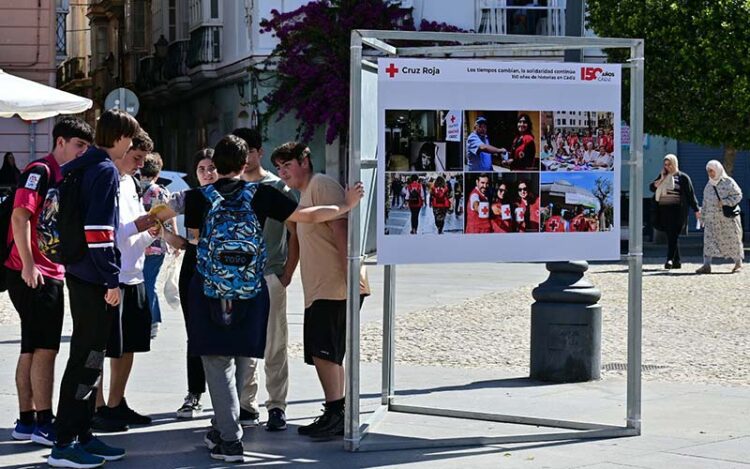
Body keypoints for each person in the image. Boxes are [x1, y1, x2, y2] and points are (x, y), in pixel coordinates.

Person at [171, 136, 363, 460]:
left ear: (215, 165)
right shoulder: (262, 194)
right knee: (247, 355)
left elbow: (194, 241)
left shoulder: (196, 198)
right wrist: (346, 204)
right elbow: (309, 216)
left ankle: (229, 435)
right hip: (251, 288)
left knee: (218, 363)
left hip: (209, 290)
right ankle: (235, 424)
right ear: (245, 163)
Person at [50, 109, 146, 468]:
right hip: (94, 279)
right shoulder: (103, 169)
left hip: (78, 272)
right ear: (120, 138)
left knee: (88, 358)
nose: (132, 145)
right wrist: (111, 280)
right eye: (131, 138)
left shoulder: (82, 164)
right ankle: (65, 442)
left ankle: (82, 433)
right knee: (86, 359)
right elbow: (99, 233)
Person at [270, 141, 369, 440]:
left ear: (304, 161)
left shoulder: (322, 185)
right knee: (325, 353)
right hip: (320, 288)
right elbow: (297, 238)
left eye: (287, 165)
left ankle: (337, 412)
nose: (282, 172)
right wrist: (287, 274)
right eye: (278, 168)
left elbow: (341, 231)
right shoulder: (300, 195)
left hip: (335, 286)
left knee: (324, 353)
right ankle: (336, 411)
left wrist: (352, 278)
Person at [5, 117, 93, 447]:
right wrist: (29, 265)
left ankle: (27, 421)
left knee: (31, 347)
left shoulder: (61, 174)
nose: (82, 152)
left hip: (41, 271)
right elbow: (19, 215)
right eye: (78, 146)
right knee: (45, 350)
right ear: (60, 142)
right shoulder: (39, 171)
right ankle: (44, 421)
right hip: (35, 273)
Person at [90, 130, 158, 434]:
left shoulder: (131, 182)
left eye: (143, 160)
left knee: (129, 344)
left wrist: (149, 233)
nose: (139, 165)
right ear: (123, 149)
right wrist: (137, 226)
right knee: (104, 345)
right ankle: (97, 406)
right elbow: (105, 232)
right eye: (136, 157)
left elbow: (131, 235)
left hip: (135, 273)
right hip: (111, 275)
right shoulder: (106, 179)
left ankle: (116, 403)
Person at [232, 128, 298, 432]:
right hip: (237, 278)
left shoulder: (276, 188)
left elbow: (295, 230)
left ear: (258, 152)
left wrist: (287, 272)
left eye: (249, 152)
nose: (244, 159)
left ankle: (277, 405)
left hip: (270, 273)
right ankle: (246, 404)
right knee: (243, 346)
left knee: (274, 343)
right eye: (239, 153)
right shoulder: (230, 188)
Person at [165, 149, 217, 419]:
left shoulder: (233, 195)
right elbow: (155, 212)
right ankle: (194, 393)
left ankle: (233, 400)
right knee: (195, 333)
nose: (207, 173)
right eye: (201, 169)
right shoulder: (189, 197)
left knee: (225, 333)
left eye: (212, 167)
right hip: (194, 267)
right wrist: (169, 236)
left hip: (226, 270)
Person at [140, 152, 177, 339]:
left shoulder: (132, 186)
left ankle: (150, 321)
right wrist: (175, 241)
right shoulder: (161, 191)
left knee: (143, 283)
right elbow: (169, 217)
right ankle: (153, 321)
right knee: (150, 283)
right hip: (156, 245)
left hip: (137, 244)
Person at [649, 153, 700, 269]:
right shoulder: (662, 176)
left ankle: (669, 259)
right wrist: (661, 179)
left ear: (675, 164)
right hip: (663, 211)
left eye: (670, 164)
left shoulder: (683, 177)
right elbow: (651, 188)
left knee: (673, 235)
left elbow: (690, 195)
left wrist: (696, 210)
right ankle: (677, 261)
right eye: (666, 165)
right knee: (671, 236)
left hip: (677, 211)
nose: (668, 167)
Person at [696, 160, 743, 274]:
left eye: (711, 170)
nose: (710, 173)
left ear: (717, 170)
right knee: (709, 242)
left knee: (733, 240)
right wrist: (702, 218)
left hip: (727, 220)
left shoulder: (728, 182)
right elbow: (705, 202)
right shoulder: (709, 185)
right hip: (712, 220)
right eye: (708, 171)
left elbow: (738, 195)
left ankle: (738, 264)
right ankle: (706, 265)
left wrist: (725, 202)